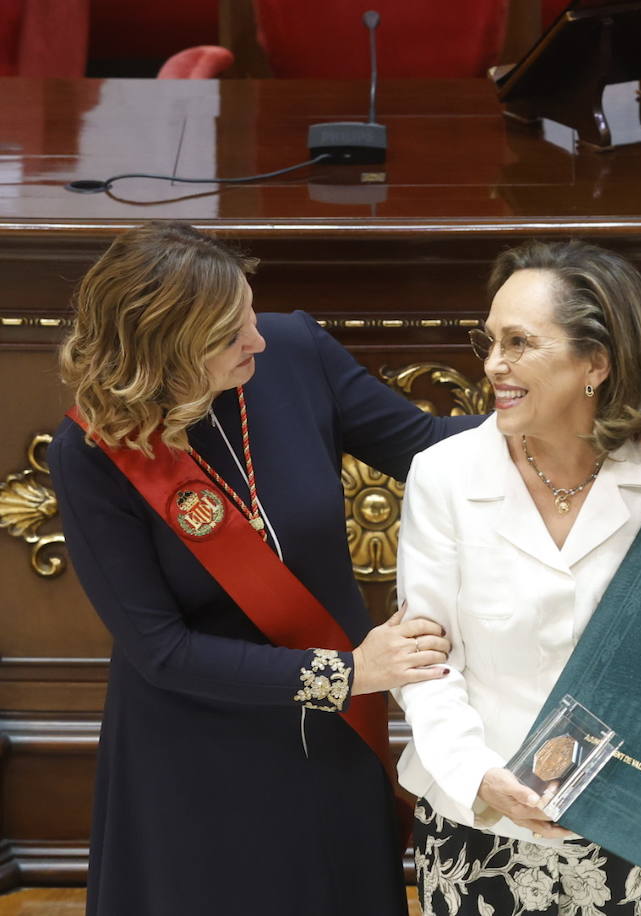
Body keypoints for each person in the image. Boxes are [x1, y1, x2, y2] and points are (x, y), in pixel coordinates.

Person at [49, 221, 479, 916]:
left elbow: (428, 446)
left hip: (327, 738)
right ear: (164, 353)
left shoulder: (294, 350)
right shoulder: (91, 454)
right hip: (199, 752)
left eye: (248, 312)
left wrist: (579, 421)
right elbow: (162, 650)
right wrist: (348, 673)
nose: (257, 339)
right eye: (229, 336)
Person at [395, 240, 641, 916]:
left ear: (595, 363)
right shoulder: (444, 476)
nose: (493, 366)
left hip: (636, 826)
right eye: (489, 342)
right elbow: (423, 663)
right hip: (480, 825)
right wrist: (484, 780)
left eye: (519, 343)